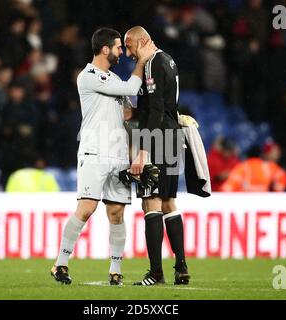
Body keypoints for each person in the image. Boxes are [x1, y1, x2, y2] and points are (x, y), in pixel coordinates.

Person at [50, 27, 156, 286]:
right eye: (119, 47)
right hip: (94, 151)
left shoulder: (112, 82)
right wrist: (142, 60)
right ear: (105, 49)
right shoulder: (89, 76)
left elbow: (128, 112)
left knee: (117, 212)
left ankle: (115, 270)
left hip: (118, 154)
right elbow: (131, 85)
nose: (122, 51)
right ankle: (60, 264)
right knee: (86, 209)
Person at [124, 26, 190, 286]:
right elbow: (159, 105)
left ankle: (156, 273)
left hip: (158, 139)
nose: (128, 53)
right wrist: (135, 114)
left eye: (130, 47)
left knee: (150, 203)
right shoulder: (168, 60)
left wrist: (143, 150)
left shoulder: (151, 64)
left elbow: (157, 112)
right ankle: (181, 267)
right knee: (168, 203)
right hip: (172, 138)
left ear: (142, 42)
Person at [220, 145, 286, 192]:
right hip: (263, 203)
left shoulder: (242, 167)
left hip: (245, 204)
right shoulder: (268, 166)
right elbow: (282, 176)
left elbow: (227, 188)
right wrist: (276, 193)